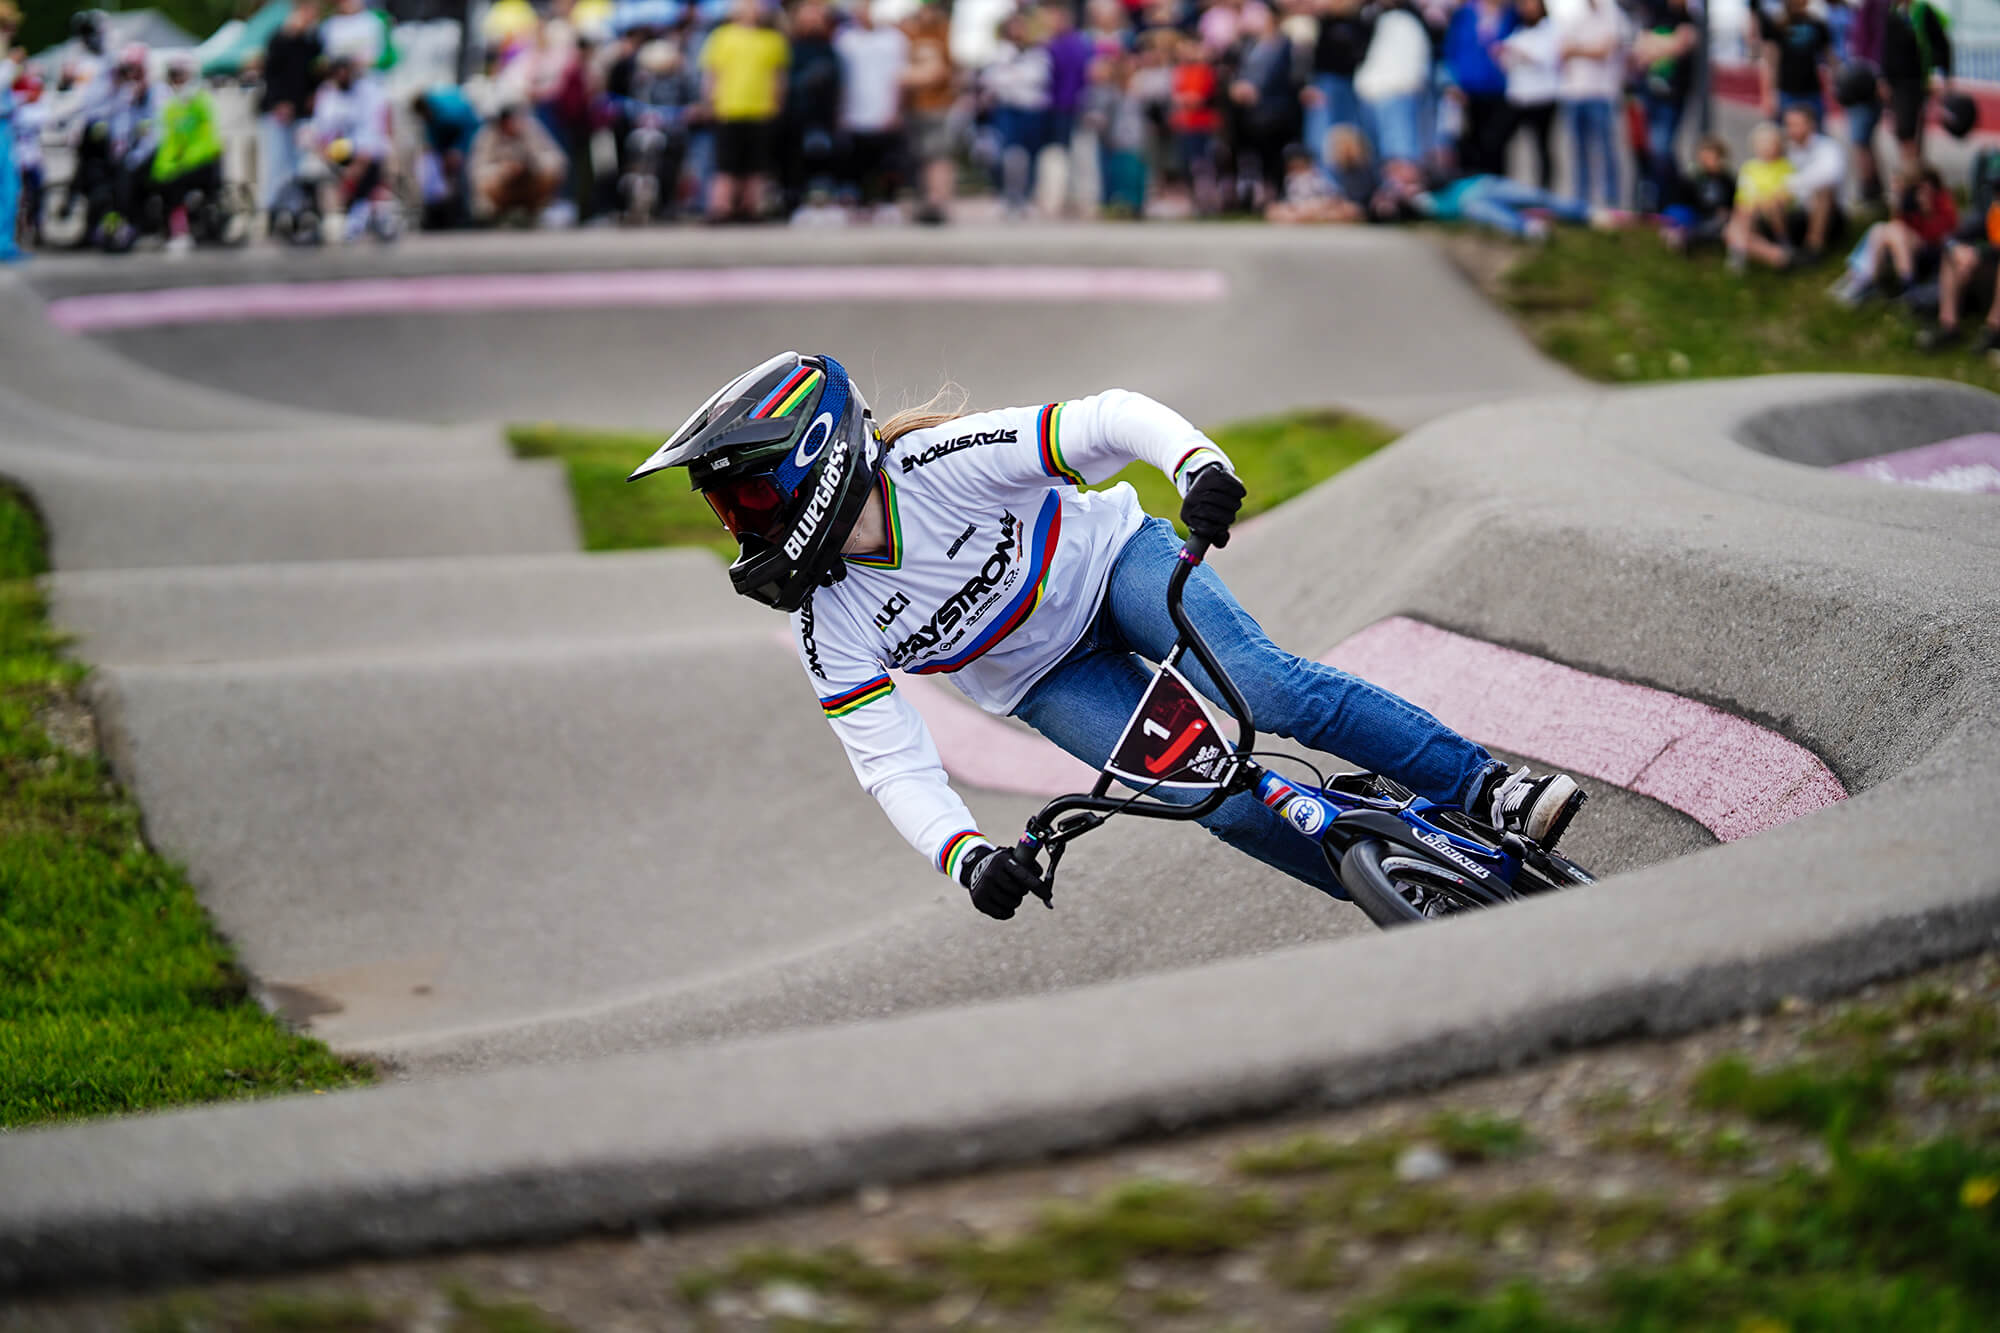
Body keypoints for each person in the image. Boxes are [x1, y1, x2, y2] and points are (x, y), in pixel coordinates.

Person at [626, 354, 1588, 921]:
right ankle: (1412, 898)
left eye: (745, 497)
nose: (741, 526)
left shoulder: (931, 464)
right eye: (726, 509)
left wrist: (1195, 464)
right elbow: (891, 765)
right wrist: (962, 855)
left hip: (1114, 566)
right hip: (1049, 680)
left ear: (815, 458)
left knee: (1268, 686)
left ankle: (1488, 789)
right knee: (1222, 800)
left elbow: (1108, 420)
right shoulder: (826, 622)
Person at [700, 0, 789, 221]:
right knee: (725, 164)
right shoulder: (722, 36)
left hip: (760, 109)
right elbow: (713, 73)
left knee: (756, 164)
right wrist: (710, 101)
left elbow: (778, 77)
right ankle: (722, 207)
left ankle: (751, 207)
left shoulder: (773, 40)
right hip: (729, 108)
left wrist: (777, 103)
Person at [1831, 163, 1953, 303]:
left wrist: (1927, 210)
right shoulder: (1907, 199)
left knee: (1892, 232)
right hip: (1905, 245)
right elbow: (1897, 223)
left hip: (1933, 248)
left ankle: (1876, 282)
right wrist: (1898, 205)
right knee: (1879, 230)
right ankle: (1870, 280)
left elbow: (1942, 232)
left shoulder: (1940, 198)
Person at [308, 53, 397, 241]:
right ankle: (319, 218)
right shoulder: (327, 93)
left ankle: (359, 213)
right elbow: (321, 130)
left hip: (364, 150)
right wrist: (325, 152)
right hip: (338, 150)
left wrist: (359, 162)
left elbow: (372, 130)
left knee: (374, 160)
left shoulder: (369, 92)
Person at [835, 0, 907, 214]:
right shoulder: (844, 38)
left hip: (884, 109)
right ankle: (861, 203)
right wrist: (840, 109)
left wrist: (897, 109)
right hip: (854, 110)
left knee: (887, 160)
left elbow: (900, 77)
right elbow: (841, 79)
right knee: (856, 160)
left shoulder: (894, 39)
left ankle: (887, 202)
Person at [258, 0, 323, 233]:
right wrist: (279, 102)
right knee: (277, 165)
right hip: (278, 113)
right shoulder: (280, 38)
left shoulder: (311, 41)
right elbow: (270, 75)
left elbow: (314, 75)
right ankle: (273, 212)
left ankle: (295, 212)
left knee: (299, 166)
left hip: (300, 114)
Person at [151, 52, 224, 255]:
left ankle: (181, 232)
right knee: (162, 181)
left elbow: (209, 140)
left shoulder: (201, 103)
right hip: (184, 162)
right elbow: (171, 143)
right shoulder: (172, 108)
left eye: (180, 76)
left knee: (176, 184)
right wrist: (163, 166)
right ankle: (166, 228)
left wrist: (185, 161)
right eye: (174, 77)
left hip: (204, 161)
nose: (177, 82)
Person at [1556, 0, 1625, 208]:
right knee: (1579, 152)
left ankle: (1610, 203)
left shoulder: (1612, 12)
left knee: (1606, 151)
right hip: (1574, 94)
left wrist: (1576, 49)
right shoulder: (1572, 13)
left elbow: (1605, 49)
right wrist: (1584, 49)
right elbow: (1561, 50)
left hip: (1601, 94)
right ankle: (1580, 203)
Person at [1631, 0, 1697, 213]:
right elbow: (1640, 51)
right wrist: (1666, 44)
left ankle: (1671, 198)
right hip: (1651, 95)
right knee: (1650, 151)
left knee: (1662, 149)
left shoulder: (1688, 18)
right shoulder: (1655, 15)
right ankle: (1659, 201)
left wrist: (1657, 45)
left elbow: (1681, 45)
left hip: (1673, 96)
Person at [1442, 0, 1517, 179]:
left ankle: (1498, 187)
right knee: (1469, 145)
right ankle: (1474, 188)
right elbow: (1450, 49)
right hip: (1467, 91)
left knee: (1495, 145)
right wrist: (1451, 82)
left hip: (1499, 90)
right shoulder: (1465, 13)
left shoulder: (1510, 13)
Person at [1355, 0, 1431, 170]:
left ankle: (1405, 188)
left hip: (1398, 91)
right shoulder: (1373, 18)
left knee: (1400, 149)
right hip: (1374, 92)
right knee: (1380, 152)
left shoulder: (1406, 21)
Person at [900, 3, 956, 225]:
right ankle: (925, 202)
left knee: (938, 156)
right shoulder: (909, 33)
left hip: (937, 107)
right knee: (920, 157)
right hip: (915, 107)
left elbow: (943, 71)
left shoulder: (943, 32)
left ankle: (938, 202)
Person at [1880, 0, 1951, 173]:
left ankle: (1914, 170)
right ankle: (1910, 168)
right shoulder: (1892, 14)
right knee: (1903, 128)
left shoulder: (1923, 12)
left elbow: (1940, 44)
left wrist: (1938, 74)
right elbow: (1886, 49)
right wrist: (1883, 79)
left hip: (1919, 79)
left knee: (1914, 128)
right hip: (1898, 81)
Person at [469, 98, 568, 222]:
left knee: (552, 168)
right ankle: (499, 215)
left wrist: (531, 165)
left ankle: (537, 210)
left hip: (531, 181)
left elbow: (555, 157)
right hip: (502, 186)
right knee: (484, 181)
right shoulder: (487, 135)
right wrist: (503, 170)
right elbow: (477, 169)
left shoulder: (531, 128)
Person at [1303, 0, 1371, 175]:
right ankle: (1325, 182)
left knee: (1349, 138)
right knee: (1321, 139)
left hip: (1349, 84)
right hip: (1324, 83)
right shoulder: (1320, 22)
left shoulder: (1361, 21)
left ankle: (1347, 186)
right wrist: (1308, 83)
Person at [1499, 0, 1560, 191]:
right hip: (1518, 97)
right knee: (1501, 142)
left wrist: (1520, 53)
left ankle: (1545, 192)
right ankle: (1506, 188)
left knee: (1542, 148)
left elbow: (1548, 58)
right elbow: (1506, 62)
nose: (1527, 8)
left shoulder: (1550, 29)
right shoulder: (1518, 30)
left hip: (1542, 98)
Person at [1780, 99, 1847, 260]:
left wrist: (1792, 184)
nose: (1791, 130)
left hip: (1829, 215)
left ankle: (1814, 249)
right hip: (1795, 211)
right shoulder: (1785, 150)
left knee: (1822, 191)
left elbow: (1830, 175)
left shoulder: (1828, 147)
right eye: (1788, 125)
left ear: (1811, 125)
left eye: (1796, 124)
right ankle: (1781, 251)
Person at [411, 85, 484, 228]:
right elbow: (431, 132)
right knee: (436, 173)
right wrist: (434, 149)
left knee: (463, 176)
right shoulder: (429, 115)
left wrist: (458, 150)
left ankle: (465, 216)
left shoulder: (451, 112)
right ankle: (438, 214)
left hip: (466, 135)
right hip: (446, 140)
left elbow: (469, 126)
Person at [1725, 120, 1794, 271]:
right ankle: (1777, 256)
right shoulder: (1749, 167)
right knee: (1734, 226)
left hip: (1776, 213)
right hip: (1751, 212)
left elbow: (1786, 194)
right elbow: (1743, 196)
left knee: (1735, 229)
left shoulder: (1785, 167)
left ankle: (1780, 244)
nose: (1766, 147)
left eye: (1770, 143)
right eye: (1762, 143)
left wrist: (1761, 201)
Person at [1168, 31, 1221, 213]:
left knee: (1203, 164)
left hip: (1202, 124)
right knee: (1186, 164)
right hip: (1184, 124)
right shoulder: (1180, 70)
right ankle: (1193, 202)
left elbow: (1199, 98)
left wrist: (1187, 100)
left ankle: (1208, 202)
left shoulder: (1205, 70)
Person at [1759, 0, 1833, 125]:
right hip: (1786, 90)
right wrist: (1770, 93)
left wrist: (1832, 83)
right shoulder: (1778, 26)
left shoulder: (1817, 24)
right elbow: (1771, 61)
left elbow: (1829, 57)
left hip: (1811, 88)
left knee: (1817, 131)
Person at [1661, 134, 1733, 253]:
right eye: (1704, 157)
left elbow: (1730, 201)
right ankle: (1680, 234)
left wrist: (1724, 210)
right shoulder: (1694, 176)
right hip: (1695, 213)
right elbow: (1682, 198)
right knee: (1678, 213)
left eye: (1711, 157)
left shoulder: (1726, 180)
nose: (1706, 161)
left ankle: (1686, 237)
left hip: (1713, 217)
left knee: (1718, 223)